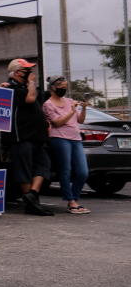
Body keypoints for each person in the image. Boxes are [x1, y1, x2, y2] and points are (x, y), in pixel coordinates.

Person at [5, 58, 54, 216]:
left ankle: (32, 195)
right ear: (18, 72)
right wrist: (31, 83)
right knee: (24, 169)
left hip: (37, 137)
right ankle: (32, 203)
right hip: (22, 136)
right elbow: (30, 99)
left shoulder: (24, 86)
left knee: (44, 164)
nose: (31, 73)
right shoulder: (11, 87)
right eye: (27, 70)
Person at [43, 76, 91, 215]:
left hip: (75, 138)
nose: (63, 89)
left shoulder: (69, 101)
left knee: (83, 172)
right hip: (59, 138)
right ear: (52, 87)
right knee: (66, 169)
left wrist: (83, 108)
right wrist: (71, 111)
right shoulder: (48, 104)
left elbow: (80, 120)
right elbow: (57, 123)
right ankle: (71, 201)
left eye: (65, 87)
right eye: (61, 87)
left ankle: (74, 198)